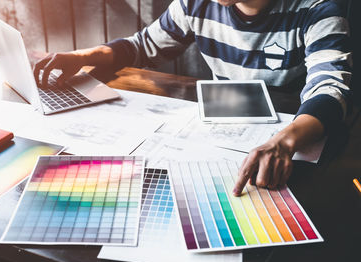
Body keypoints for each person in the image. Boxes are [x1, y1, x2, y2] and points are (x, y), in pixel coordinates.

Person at [34, 0, 352, 196]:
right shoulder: (194, 4)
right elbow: (141, 46)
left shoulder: (319, 10)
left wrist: (282, 142)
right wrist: (80, 56)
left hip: (293, 149)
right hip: (222, 137)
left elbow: (329, 89)